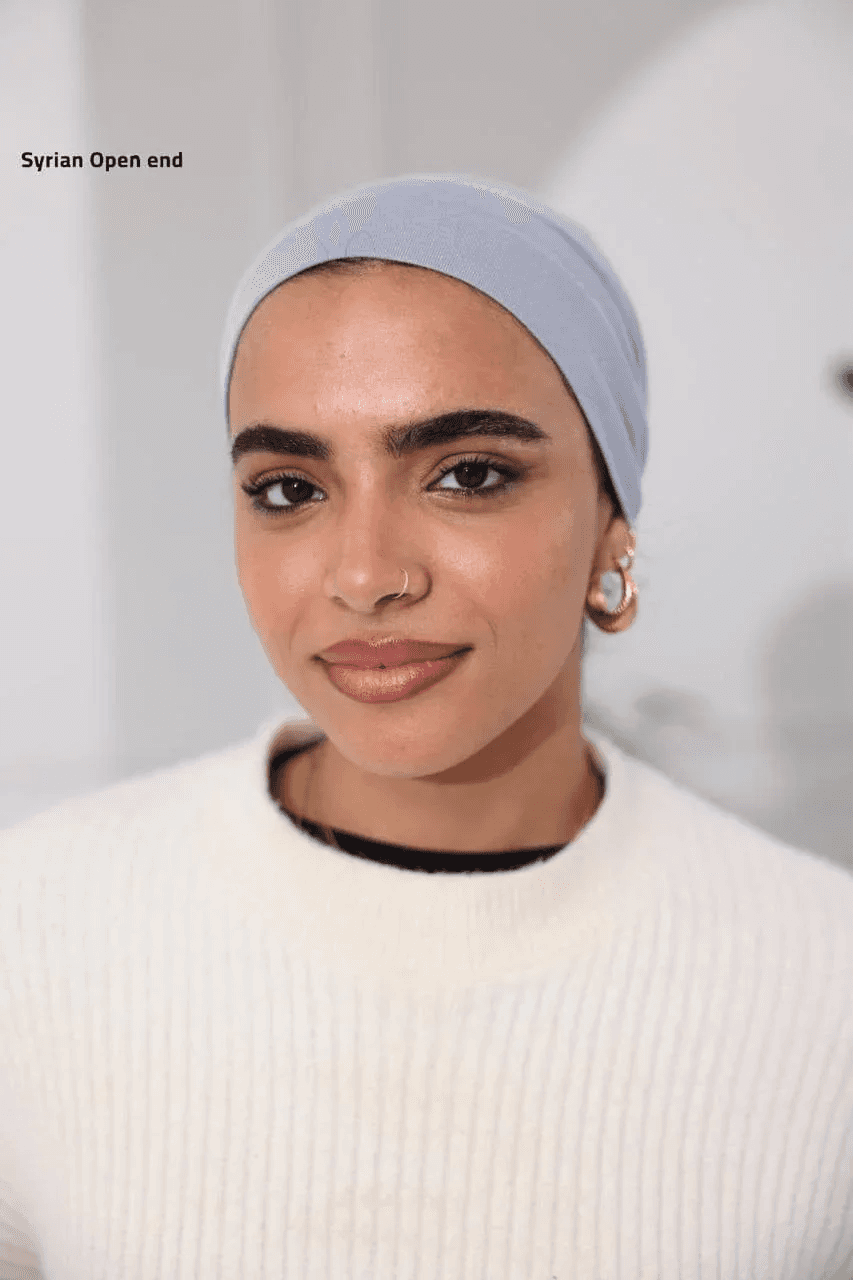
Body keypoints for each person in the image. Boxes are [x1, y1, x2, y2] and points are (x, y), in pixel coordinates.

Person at [1, 175, 851, 1279]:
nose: (363, 575)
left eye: (468, 473)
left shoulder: (824, 978)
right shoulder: (33, 928)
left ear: (611, 525)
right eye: (288, 489)